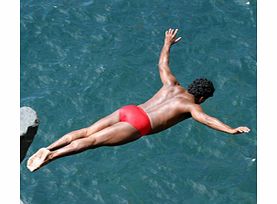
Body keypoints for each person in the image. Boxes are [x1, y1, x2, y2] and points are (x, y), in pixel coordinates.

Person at [27, 28, 250, 172]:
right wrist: (230, 130)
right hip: (139, 124)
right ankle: (51, 157)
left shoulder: (171, 85)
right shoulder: (191, 106)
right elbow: (207, 120)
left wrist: (167, 43)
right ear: (201, 97)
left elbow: (162, 64)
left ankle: (49, 146)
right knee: (92, 142)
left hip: (130, 110)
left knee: (86, 131)